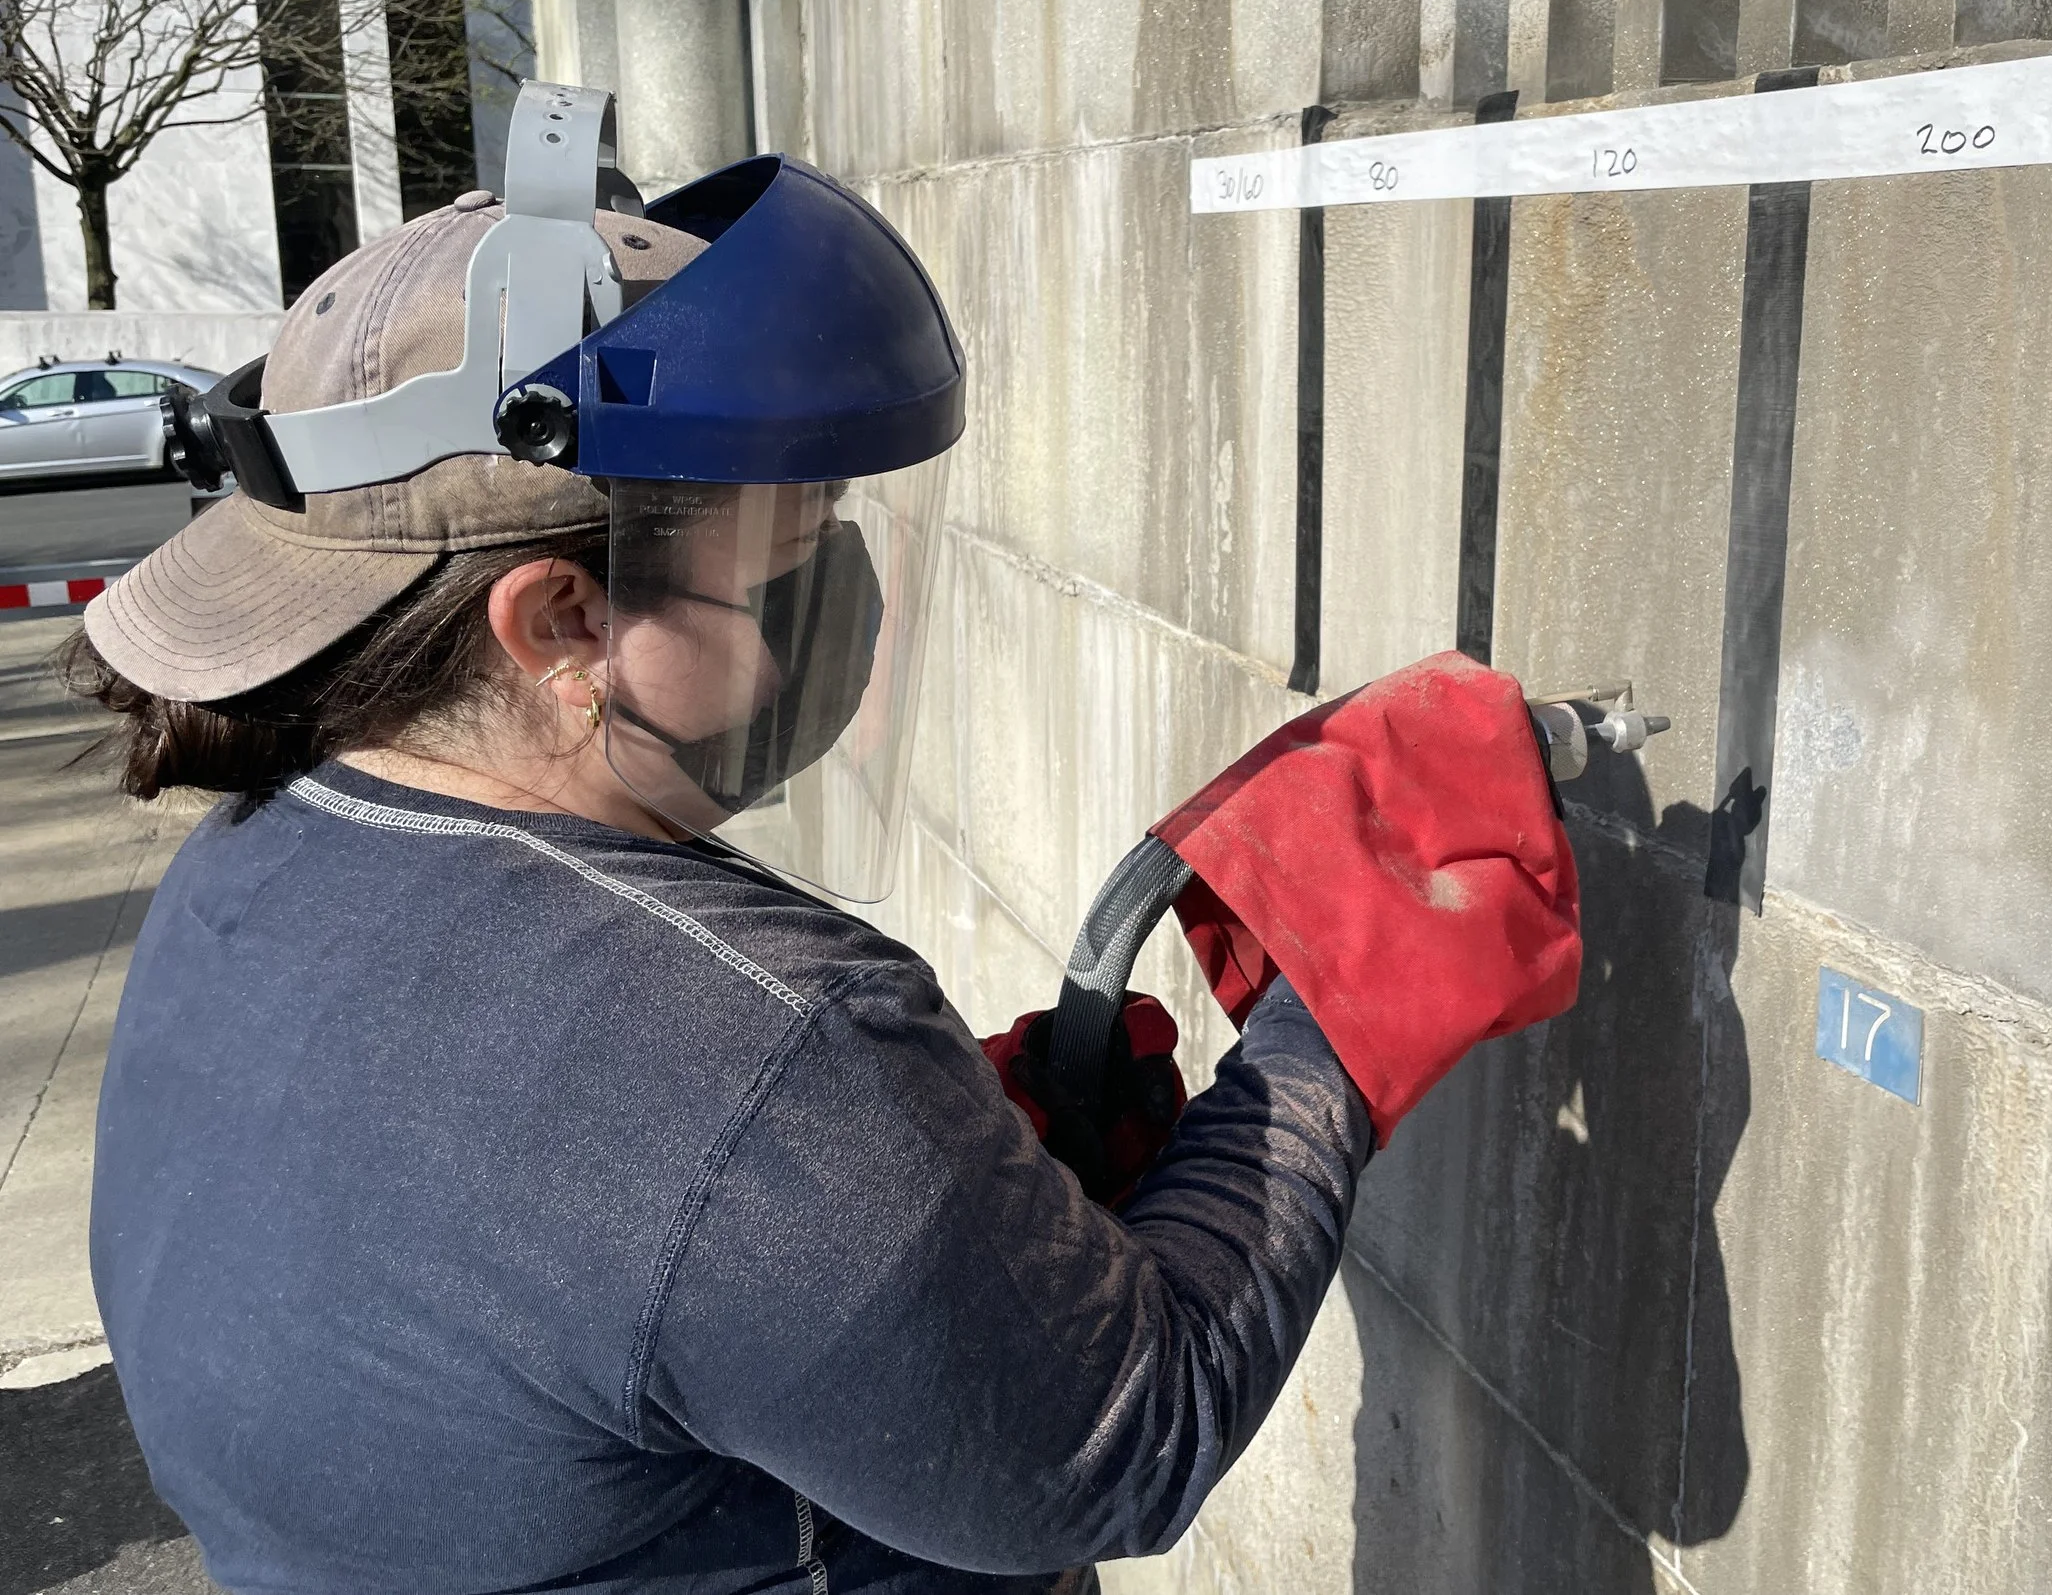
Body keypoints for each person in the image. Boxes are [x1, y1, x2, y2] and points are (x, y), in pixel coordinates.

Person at [64, 86, 1580, 1594]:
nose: (847, 608)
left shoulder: (250, 872)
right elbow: (1124, 1438)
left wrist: (904, 1200)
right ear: (560, 621)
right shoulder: (751, 1055)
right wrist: (1331, 1018)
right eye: (788, 556)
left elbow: (566, 1254)